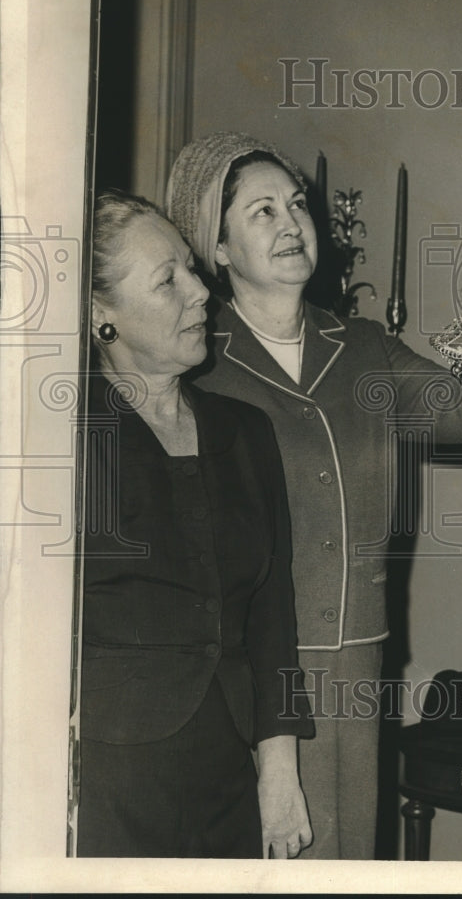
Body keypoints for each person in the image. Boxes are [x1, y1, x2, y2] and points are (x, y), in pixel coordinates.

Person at [165, 132, 462, 860]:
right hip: (241, 667)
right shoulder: (195, 359)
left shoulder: (365, 347)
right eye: (261, 212)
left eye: (297, 204)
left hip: (356, 659)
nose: (290, 222)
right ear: (216, 250)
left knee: (345, 856)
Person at [77, 190, 313, 858]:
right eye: (167, 279)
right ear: (103, 315)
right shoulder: (60, 443)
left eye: (191, 266)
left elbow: (274, 617)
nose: (201, 292)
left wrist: (281, 772)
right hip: (104, 781)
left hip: (228, 773)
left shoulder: (245, 434)